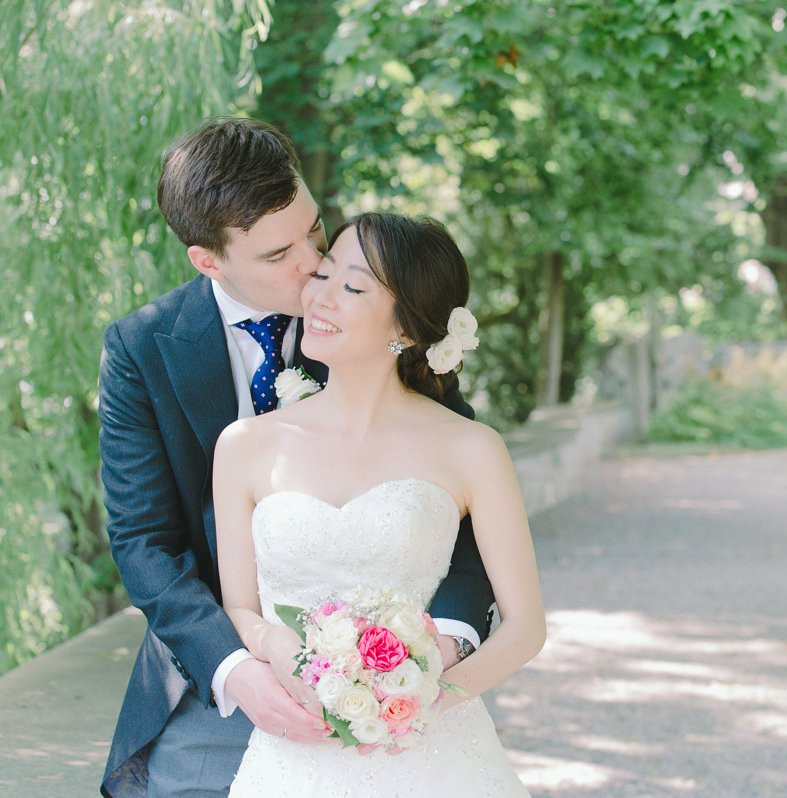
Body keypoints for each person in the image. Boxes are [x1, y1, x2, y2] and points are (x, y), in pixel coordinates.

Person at [98, 118, 495, 797]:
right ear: (208, 260)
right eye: (280, 254)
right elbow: (144, 541)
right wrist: (237, 669)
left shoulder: (376, 309)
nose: (314, 263)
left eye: (313, 228)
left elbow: (456, 500)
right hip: (216, 667)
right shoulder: (142, 349)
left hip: (390, 675)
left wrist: (440, 646)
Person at [214, 212, 545, 796]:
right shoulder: (247, 445)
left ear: (408, 331)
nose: (320, 297)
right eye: (324, 273)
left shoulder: (471, 448)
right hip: (293, 753)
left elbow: (525, 627)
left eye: (353, 286)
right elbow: (239, 607)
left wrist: (425, 699)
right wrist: (274, 643)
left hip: (435, 755)